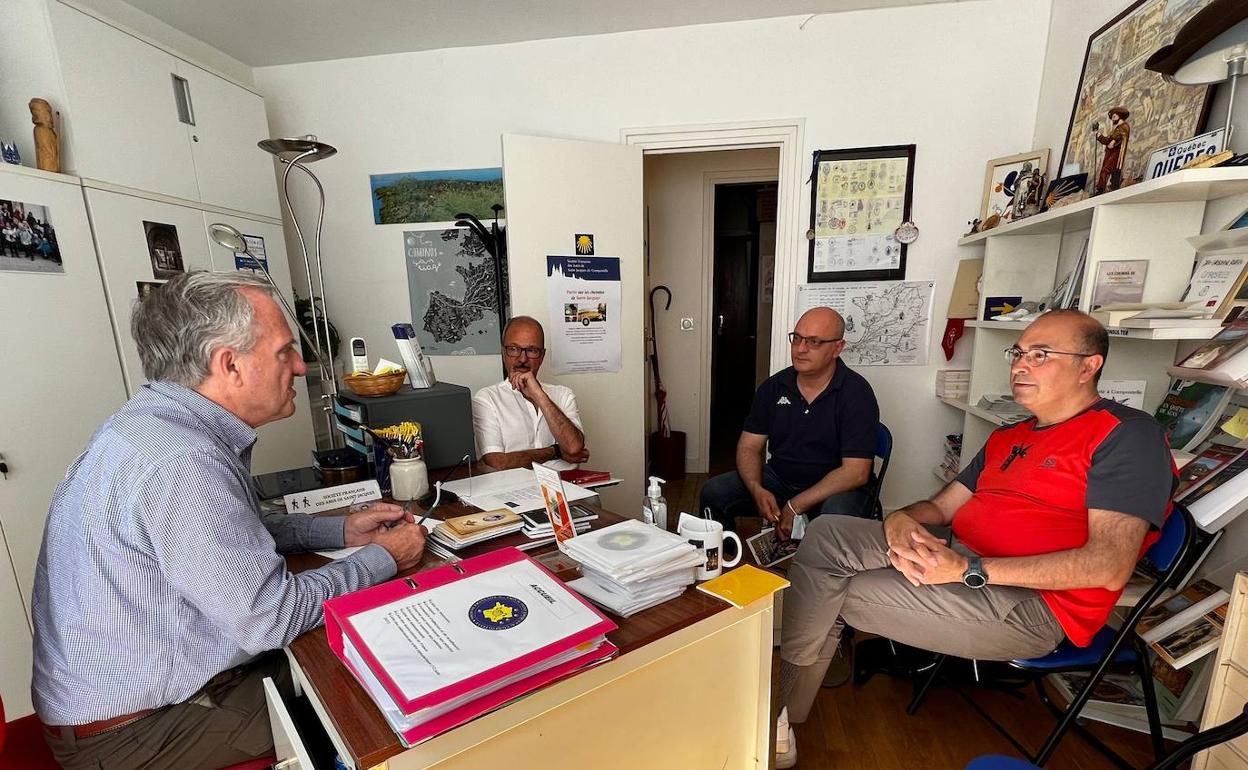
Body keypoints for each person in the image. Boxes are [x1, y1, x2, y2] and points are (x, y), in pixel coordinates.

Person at [32, 271, 428, 770]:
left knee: (355, 646)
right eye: (285, 351)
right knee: (387, 688)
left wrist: (341, 530)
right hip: (139, 733)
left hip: (135, 698)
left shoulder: (152, 425)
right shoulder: (182, 461)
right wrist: (382, 557)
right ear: (230, 365)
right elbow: (271, 618)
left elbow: (230, 532)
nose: (301, 367)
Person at [774, 310, 1175, 768]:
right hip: (963, 557)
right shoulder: (1009, 436)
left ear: (1089, 366)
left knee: (831, 591)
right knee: (827, 533)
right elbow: (942, 508)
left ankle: (781, 719)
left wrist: (967, 570)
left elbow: (1107, 566)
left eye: (1041, 356)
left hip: (1031, 604)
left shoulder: (1127, 436)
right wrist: (901, 520)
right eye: (1019, 353)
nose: (1020, 366)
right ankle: (787, 703)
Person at [698, 306, 879, 538]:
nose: (801, 349)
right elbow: (749, 447)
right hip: (781, 478)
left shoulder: (856, 393)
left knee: (835, 517)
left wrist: (796, 505)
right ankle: (726, 559)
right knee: (714, 492)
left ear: (837, 348)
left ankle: (820, 573)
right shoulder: (773, 387)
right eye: (797, 338)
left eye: (814, 342)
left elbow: (856, 473)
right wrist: (756, 488)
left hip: (836, 488)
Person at [472, 315, 588, 470]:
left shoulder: (563, 394)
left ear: (542, 356)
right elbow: (498, 462)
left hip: (568, 489)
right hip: (516, 491)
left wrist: (539, 395)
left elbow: (574, 448)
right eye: (513, 349)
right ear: (503, 353)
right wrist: (556, 451)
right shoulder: (487, 399)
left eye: (532, 350)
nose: (522, 359)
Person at [1093, 106, 1130, 194]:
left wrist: (1098, 135)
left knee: (1105, 171)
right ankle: (1110, 188)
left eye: (1114, 117)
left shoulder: (1121, 128)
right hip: (1112, 154)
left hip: (1115, 155)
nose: (1112, 119)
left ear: (1120, 116)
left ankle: (1101, 189)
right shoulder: (1118, 128)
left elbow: (1110, 144)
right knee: (1113, 173)